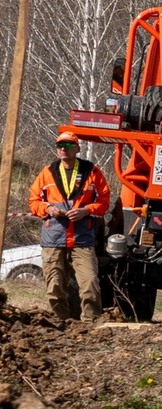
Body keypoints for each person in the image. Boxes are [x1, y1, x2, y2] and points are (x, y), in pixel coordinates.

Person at [29, 130, 109, 323]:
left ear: (77, 149)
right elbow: (33, 201)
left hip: (82, 238)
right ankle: (60, 322)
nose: (63, 149)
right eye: (60, 146)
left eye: (68, 145)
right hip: (54, 237)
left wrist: (86, 210)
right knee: (54, 286)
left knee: (89, 282)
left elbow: (104, 202)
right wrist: (48, 208)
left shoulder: (92, 172)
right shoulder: (47, 172)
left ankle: (91, 323)